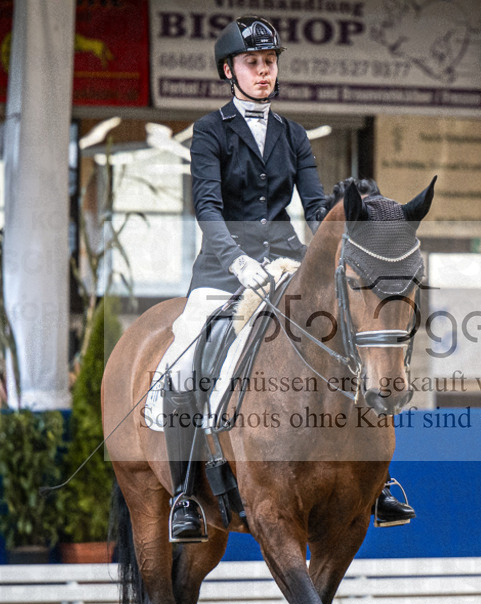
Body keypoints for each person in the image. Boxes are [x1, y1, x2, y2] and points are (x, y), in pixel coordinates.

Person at [159, 16, 413, 542]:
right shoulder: (210, 132)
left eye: (269, 63)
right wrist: (235, 260)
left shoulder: (293, 134)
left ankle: (379, 481)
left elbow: (315, 205)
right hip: (223, 273)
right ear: (229, 70)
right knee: (183, 363)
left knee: (349, 343)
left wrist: (344, 231)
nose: (263, 72)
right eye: (253, 63)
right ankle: (185, 495)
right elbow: (206, 206)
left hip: (285, 264)